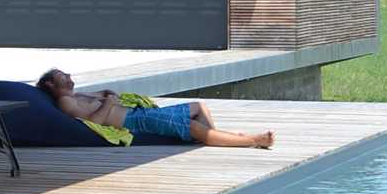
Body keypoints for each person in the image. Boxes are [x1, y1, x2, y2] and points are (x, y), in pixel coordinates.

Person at [36, 69, 273, 149]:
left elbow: (107, 95)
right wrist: (108, 102)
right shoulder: (66, 102)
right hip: (133, 122)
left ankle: (217, 138)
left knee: (199, 106)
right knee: (190, 125)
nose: (68, 77)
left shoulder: (77, 94)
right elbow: (95, 121)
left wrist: (109, 96)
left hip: (138, 113)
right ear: (49, 84)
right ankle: (251, 140)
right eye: (61, 76)